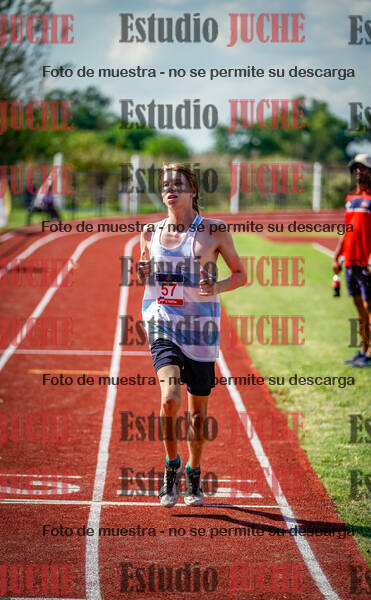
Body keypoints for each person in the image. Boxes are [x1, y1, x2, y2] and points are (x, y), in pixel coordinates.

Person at [138, 163, 247, 507]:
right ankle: (171, 466)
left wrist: (217, 286)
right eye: (165, 185)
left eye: (178, 184)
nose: (170, 189)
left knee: (197, 414)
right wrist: (143, 272)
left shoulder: (214, 230)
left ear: (193, 191)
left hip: (201, 330)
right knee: (170, 399)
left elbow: (240, 275)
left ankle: (194, 472)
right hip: (163, 322)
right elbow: (145, 273)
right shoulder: (150, 232)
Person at [332, 154, 371, 367]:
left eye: (363, 168)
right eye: (356, 168)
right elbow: (346, 229)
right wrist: (337, 254)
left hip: (369, 264)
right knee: (360, 309)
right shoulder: (350, 197)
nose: (359, 171)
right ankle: (363, 350)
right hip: (351, 262)